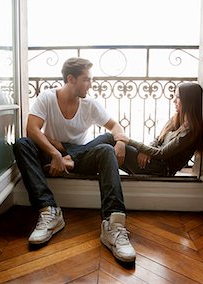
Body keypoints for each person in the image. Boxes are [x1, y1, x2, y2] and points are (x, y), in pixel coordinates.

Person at [13, 57, 136, 263]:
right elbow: (32, 128)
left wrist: (121, 141)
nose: (91, 84)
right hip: (53, 155)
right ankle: (49, 211)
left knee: (107, 146)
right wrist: (54, 152)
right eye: (86, 80)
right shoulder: (47, 97)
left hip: (81, 157)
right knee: (22, 143)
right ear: (71, 79)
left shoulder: (90, 105)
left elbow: (115, 127)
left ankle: (112, 225)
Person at [114, 82, 203, 176]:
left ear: (188, 101)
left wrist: (128, 141)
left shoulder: (190, 131)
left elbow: (162, 153)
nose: (173, 100)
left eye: (178, 97)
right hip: (152, 161)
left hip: (159, 168)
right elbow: (158, 139)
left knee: (110, 139)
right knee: (107, 148)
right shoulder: (177, 118)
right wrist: (146, 152)